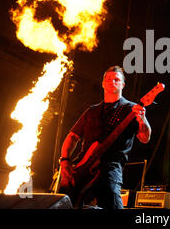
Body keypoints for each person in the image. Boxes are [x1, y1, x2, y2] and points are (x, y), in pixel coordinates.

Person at [59, 66, 151, 209]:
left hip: (110, 169)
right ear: (102, 83)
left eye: (116, 79)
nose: (112, 82)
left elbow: (144, 138)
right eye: (108, 79)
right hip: (81, 169)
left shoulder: (131, 109)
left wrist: (142, 120)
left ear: (122, 85)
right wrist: (65, 161)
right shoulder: (92, 111)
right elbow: (72, 137)